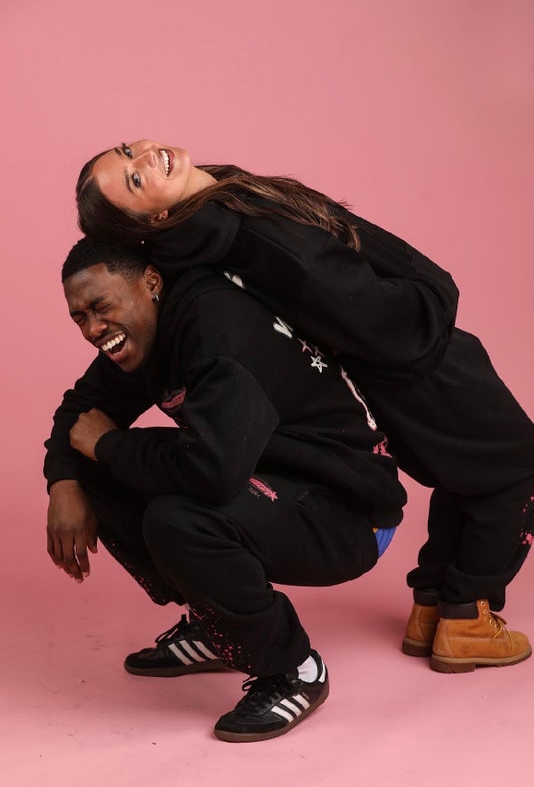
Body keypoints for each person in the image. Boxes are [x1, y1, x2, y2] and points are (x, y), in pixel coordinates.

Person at [74, 139, 534, 674]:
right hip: (422, 366)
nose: (146, 158)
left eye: (128, 152)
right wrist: (435, 294)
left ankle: (435, 608)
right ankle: (466, 620)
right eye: (135, 180)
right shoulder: (246, 235)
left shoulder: (216, 222)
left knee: (469, 475)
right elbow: (366, 311)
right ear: (153, 219)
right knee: (516, 469)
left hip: (394, 375)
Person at [45, 237, 406, 742]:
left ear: (151, 282)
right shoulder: (145, 332)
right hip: (267, 478)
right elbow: (81, 411)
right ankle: (218, 626)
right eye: (80, 318)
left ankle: (293, 670)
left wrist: (107, 445)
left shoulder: (215, 329)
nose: (92, 329)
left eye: (101, 307)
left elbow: (213, 473)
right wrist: (63, 482)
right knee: (94, 467)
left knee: (179, 519)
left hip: (349, 511)